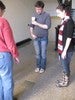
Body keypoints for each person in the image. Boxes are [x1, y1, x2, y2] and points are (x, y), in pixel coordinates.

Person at [0, 1, 19, 100]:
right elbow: (10, 41)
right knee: (7, 80)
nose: (3, 13)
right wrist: (15, 55)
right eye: (3, 11)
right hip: (2, 56)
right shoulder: (2, 21)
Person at [29, 1, 51, 73]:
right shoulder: (33, 15)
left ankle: (42, 67)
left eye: (39, 9)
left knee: (43, 54)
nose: (37, 11)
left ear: (42, 8)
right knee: (38, 53)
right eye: (36, 9)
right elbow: (31, 26)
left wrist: (37, 23)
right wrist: (32, 34)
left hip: (44, 38)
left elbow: (47, 26)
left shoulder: (47, 15)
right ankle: (38, 66)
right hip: (35, 38)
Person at [56, 4, 74, 87]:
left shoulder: (69, 21)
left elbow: (69, 38)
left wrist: (64, 51)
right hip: (62, 48)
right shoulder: (64, 20)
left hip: (67, 49)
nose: (57, 15)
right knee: (64, 65)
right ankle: (64, 79)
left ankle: (65, 82)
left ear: (64, 11)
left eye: (58, 13)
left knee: (65, 65)